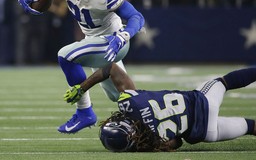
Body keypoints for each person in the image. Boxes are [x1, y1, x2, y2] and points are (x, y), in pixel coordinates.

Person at [17, 0, 145, 133]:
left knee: (65, 55)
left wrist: (123, 36)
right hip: (92, 39)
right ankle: (145, 118)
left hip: (113, 40)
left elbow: (136, 17)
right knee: (118, 94)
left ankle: (84, 113)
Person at [63, 62, 256, 152]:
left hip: (205, 132)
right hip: (202, 102)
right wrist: (82, 88)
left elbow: (177, 143)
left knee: (250, 126)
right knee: (223, 82)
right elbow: (111, 68)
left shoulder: (149, 143)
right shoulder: (129, 103)